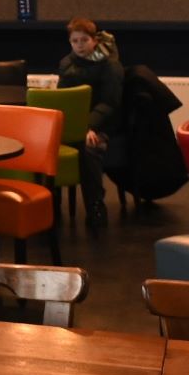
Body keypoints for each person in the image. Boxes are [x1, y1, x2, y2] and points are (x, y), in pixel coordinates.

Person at [56, 17, 125, 230]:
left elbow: (109, 103)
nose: (79, 45)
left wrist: (89, 127)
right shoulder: (66, 64)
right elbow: (63, 99)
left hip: (103, 124)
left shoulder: (110, 65)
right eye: (74, 41)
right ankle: (49, 205)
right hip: (75, 124)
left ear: (94, 40)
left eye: (84, 40)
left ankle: (95, 205)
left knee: (88, 149)